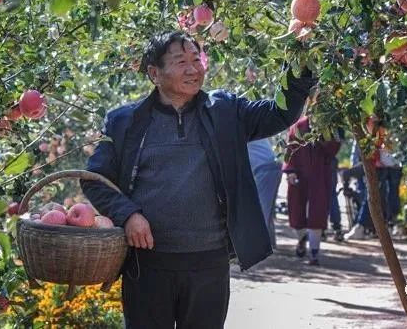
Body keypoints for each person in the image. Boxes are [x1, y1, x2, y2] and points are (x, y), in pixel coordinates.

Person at [81, 31, 315, 328]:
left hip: (209, 263)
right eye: (181, 62)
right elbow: (94, 179)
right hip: (148, 265)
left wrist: (300, 58)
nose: (194, 69)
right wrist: (127, 215)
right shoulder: (124, 121)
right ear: (154, 73)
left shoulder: (225, 111)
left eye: (196, 59)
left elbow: (281, 113)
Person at [283, 116, 341, 265]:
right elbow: (290, 148)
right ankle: (301, 239)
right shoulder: (299, 125)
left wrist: (323, 137)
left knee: (318, 211)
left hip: (320, 173)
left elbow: (334, 149)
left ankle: (314, 254)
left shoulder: (328, 126)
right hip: (299, 172)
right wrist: (290, 171)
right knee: (296, 209)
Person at [247, 138, 282, 248]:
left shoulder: (239, 129)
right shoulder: (251, 126)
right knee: (267, 209)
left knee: (261, 211)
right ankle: (270, 243)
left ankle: (257, 248)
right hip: (272, 165)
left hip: (265, 168)